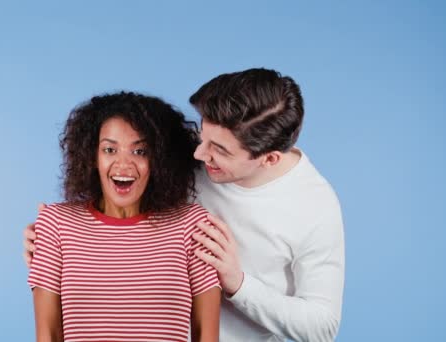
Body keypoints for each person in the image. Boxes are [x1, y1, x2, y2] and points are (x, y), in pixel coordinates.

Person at [24, 68, 345, 342]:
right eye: (203, 133)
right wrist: (58, 244)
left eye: (218, 149)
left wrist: (238, 283)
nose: (197, 155)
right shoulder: (184, 158)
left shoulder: (314, 207)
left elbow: (322, 326)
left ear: (268, 158)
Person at [27, 91, 221, 342]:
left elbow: (206, 335)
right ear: (92, 156)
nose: (123, 164)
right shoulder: (56, 223)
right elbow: (49, 335)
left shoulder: (191, 225)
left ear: (159, 160)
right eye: (110, 149)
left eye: (140, 152)